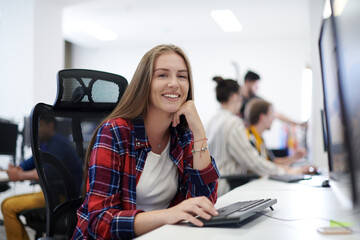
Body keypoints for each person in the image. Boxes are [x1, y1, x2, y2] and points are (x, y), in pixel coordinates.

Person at [72, 44, 219, 239]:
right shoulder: (115, 132)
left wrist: (199, 132)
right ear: (145, 83)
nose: (174, 83)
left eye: (182, 76)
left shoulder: (182, 137)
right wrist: (168, 215)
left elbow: (204, 202)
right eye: (162, 75)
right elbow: (100, 221)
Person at [206, 77, 311, 196]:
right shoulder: (233, 123)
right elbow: (253, 162)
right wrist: (287, 172)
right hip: (227, 187)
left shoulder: (211, 121)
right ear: (235, 96)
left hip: (212, 185)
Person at [1, 109, 82, 240]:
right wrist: (16, 169)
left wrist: (20, 176)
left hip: (60, 197)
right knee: (6, 204)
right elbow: (29, 163)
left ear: (50, 125)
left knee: (8, 207)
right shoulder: (46, 145)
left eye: (39, 125)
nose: (36, 130)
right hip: (50, 194)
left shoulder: (57, 143)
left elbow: (46, 172)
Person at [244, 98, 311, 168]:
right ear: (262, 117)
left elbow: (271, 162)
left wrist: (294, 157)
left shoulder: (259, 139)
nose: (273, 118)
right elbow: (261, 167)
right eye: (271, 115)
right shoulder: (249, 138)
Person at [240, 70, 307, 127]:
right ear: (247, 82)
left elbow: (275, 113)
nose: (257, 88)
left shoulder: (256, 101)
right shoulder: (237, 99)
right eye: (255, 85)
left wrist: (297, 123)